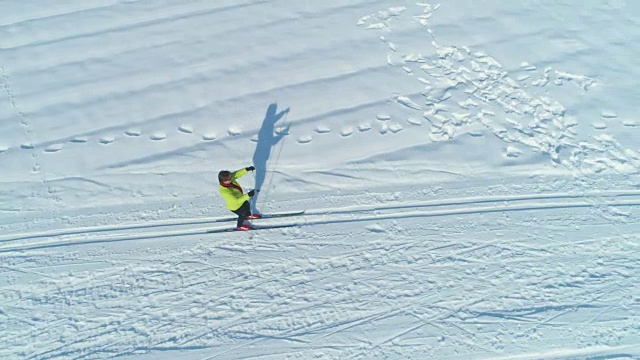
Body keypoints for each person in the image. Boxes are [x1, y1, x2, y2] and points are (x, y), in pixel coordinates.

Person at [218, 166, 261, 231]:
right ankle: (239, 226)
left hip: (241, 199)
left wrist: (246, 169)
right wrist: (248, 195)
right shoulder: (224, 191)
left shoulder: (229, 179)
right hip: (235, 206)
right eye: (229, 179)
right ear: (224, 181)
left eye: (231, 177)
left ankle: (248, 215)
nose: (231, 178)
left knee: (247, 204)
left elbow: (237, 174)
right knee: (242, 214)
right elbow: (236, 201)